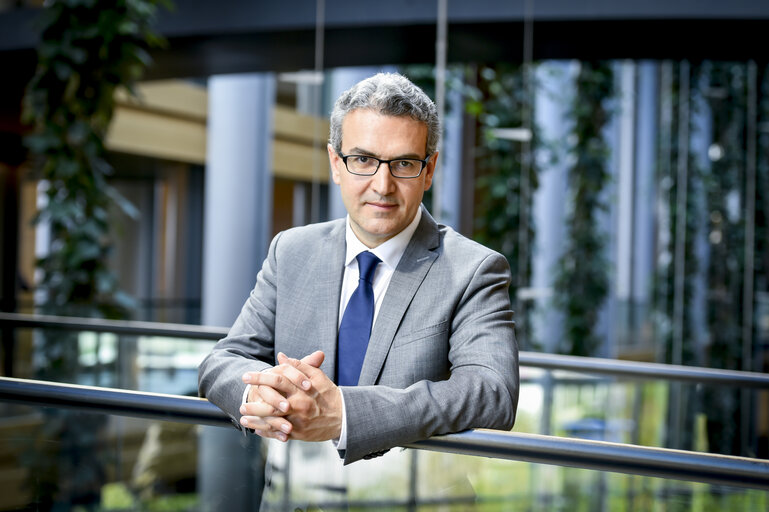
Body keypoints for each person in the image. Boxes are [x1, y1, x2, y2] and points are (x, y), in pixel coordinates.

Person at [198, 72, 519, 466]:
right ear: (336, 163)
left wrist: (344, 415)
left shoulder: (474, 269)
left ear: (429, 169)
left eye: (403, 163)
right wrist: (259, 394)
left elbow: (492, 392)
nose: (382, 185)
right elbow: (224, 359)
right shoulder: (291, 250)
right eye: (363, 160)